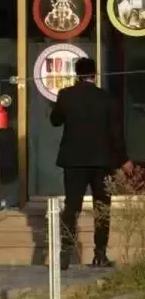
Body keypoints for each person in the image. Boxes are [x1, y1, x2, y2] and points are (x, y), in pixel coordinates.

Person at [50, 57, 133, 270]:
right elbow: (116, 134)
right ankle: (99, 254)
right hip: (102, 162)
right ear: (94, 75)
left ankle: (65, 255)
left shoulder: (66, 95)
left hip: (74, 161)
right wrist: (124, 159)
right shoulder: (106, 99)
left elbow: (55, 120)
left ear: (77, 75)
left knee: (72, 207)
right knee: (102, 207)